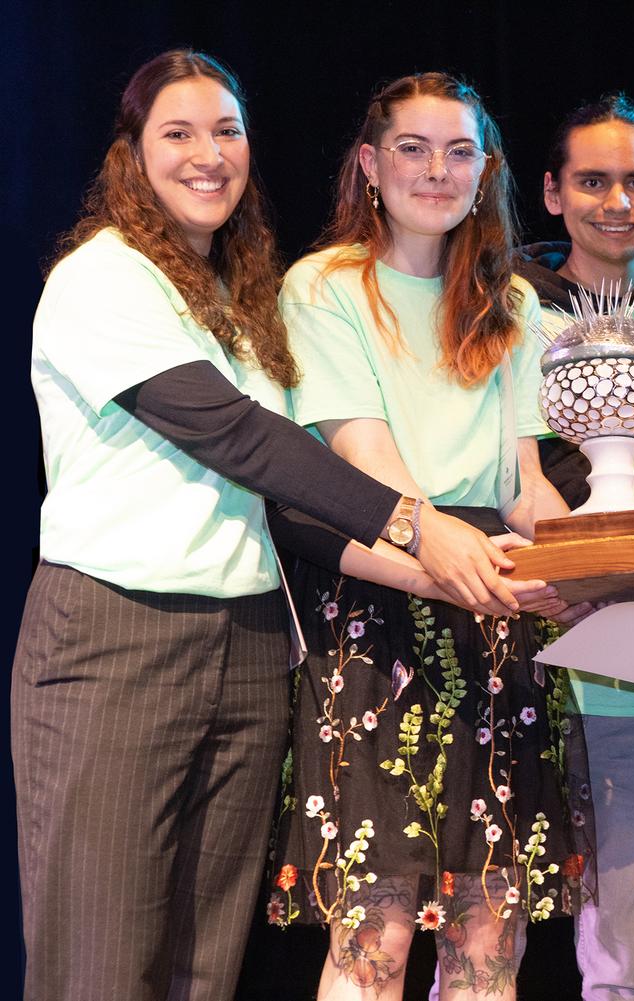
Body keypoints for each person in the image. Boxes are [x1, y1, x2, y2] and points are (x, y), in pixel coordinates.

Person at [13, 49, 462, 1001]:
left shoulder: (237, 296)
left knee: (205, 962)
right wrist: (416, 524)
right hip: (118, 635)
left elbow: (287, 502)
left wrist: (436, 570)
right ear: (132, 152)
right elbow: (236, 436)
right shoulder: (104, 278)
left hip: (253, 640)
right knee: (101, 957)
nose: (208, 153)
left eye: (227, 130)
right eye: (178, 132)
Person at [270, 73, 595, 1001]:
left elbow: (524, 487)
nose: (436, 170)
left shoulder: (514, 301)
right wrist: (451, 557)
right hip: (383, 597)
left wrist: (591, 558)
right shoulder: (325, 284)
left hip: (497, 610)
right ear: (370, 165)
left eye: (459, 152)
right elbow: (367, 467)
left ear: (485, 170)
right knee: (373, 932)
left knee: (489, 933)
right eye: (412, 148)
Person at [514, 94, 634, 1001]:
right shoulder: (510, 308)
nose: (617, 202)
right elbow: (505, 471)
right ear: (553, 193)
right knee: (503, 908)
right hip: (547, 629)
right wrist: (581, 568)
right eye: (593, 181)